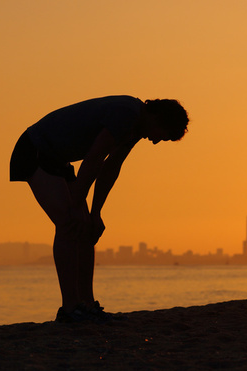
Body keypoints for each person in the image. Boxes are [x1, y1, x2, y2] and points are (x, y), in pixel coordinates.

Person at [10, 95, 189, 323]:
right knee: (69, 224)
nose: (155, 142)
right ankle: (69, 308)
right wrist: (76, 204)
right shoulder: (128, 114)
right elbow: (94, 158)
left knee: (86, 228)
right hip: (35, 149)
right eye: (161, 137)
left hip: (58, 159)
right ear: (158, 118)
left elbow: (110, 168)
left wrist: (96, 213)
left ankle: (85, 303)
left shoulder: (136, 128)